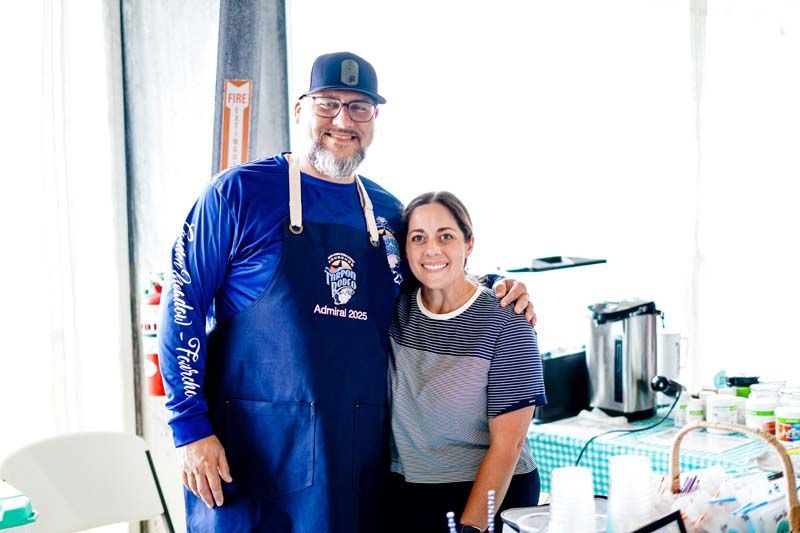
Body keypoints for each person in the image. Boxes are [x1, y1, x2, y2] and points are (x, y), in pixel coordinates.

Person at [158, 51, 536, 532]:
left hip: (359, 462)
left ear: (375, 119)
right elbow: (182, 305)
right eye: (328, 104)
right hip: (252, 455)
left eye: (359, 107)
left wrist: (498, 287)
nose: (343, 119)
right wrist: (189, 429)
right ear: (300, 110)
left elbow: (436, 273)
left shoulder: (387, 212)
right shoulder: (236, 194)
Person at [388, 191, 547, 533]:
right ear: (406, 249)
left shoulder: (509, 319)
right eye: (419, 238)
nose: (432, 249)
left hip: (490, 494)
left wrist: (471, 527)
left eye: (446, 236)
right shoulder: (395, 309)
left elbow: (509, 446)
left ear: (469, 243)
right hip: (409, 492)